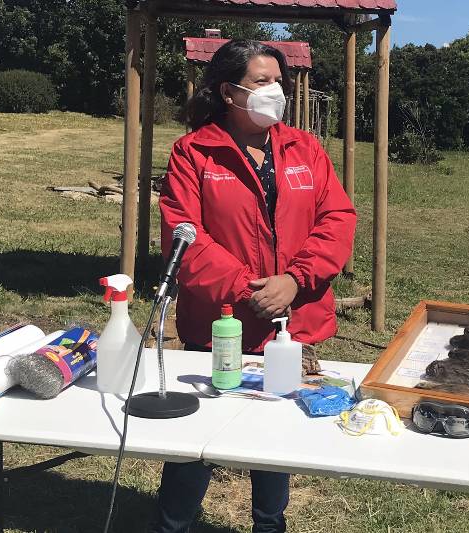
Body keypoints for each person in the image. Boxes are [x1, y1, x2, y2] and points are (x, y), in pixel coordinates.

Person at [152, 39, 356, 533]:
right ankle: (171, 524)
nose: (275, 91)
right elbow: (185, 238)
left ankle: (270, 525)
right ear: (229, 91)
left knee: (274, 441)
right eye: (261, 81)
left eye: (278, 81)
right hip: (221, 326)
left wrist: (294, 280)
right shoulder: (194, 153)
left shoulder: (304, 149)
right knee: (193, 446)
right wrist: (249, 289)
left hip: (293, 326)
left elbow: (337, 219)